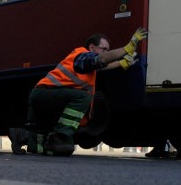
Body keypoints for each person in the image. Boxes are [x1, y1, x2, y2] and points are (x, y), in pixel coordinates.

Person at [8, 27, 147, 156]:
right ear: (92, 47)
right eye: (104, 49)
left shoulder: (88, 64)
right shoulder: (83, 56)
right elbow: (103, 59)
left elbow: (104, 65)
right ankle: (61, 136)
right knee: (82, 97)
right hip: (45, 95)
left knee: (47, 147)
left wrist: (123, 63)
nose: (106, 53)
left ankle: (22, 136)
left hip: (48, 97)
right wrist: (128, 47)